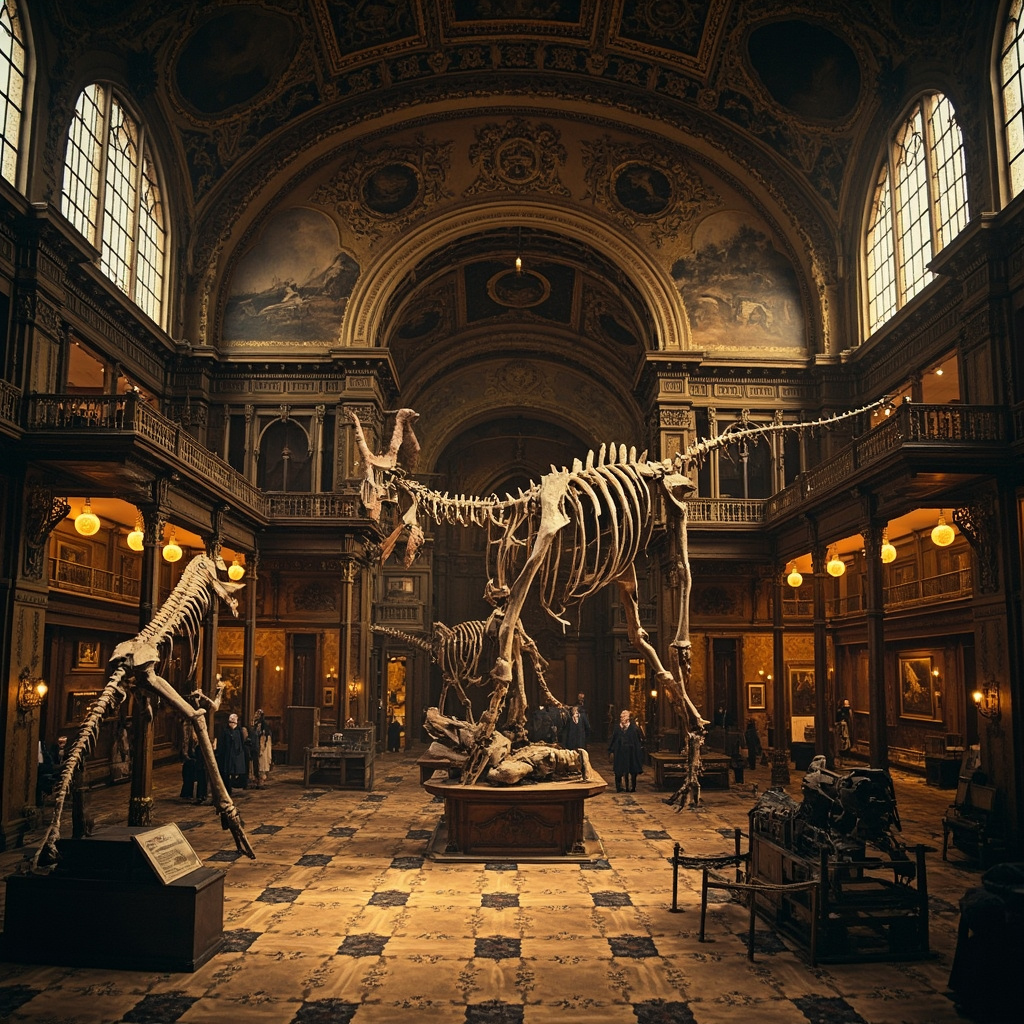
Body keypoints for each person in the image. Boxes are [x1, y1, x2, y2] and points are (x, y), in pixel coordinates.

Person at [608, 708, 644, 792]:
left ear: (628, 718)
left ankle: (632, 787)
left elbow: (638, 740)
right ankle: (619, 787)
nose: (622, 718)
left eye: (624, 717)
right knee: (618, 770)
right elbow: (613, 739)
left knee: (632, 770)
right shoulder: (617, 728)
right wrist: (611, 750)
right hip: (620, 752)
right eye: (621, 717)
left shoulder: (634, 728)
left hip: (631, 752)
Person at [216, 713, 248, 795]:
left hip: (235, 755)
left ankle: (234, 786)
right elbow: (221, 743)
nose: (232, 724)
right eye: (231, 722)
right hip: (226, 756)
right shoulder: (225, 731)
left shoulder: (239, 731)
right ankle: (227, 788)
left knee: (234, 773)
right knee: (226, 773)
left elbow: (241, 743)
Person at [250, 710, 273, 788]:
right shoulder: (255, 725)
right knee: (256, 765)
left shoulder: (263, 727)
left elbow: (264, 739)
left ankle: (260, 781)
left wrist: (261, 749)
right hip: (256, 748)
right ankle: (257, 780)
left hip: (261, 749)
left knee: (261, 765)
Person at [836, 699, 853, 765]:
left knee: (847, 741)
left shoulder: (849, 711)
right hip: (842, 729)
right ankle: (843, 755)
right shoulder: (840, 711)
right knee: (843, 742)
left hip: (847, 728)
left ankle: (846, 754)